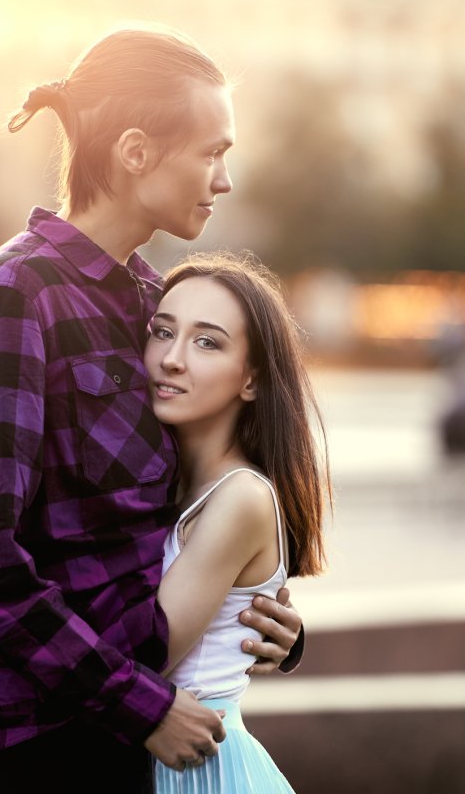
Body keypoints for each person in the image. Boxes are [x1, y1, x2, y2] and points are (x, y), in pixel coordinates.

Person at [0, 27, 303, 794]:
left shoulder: (150, 304)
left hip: (133, 731)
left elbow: (176, 519)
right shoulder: (15, 298)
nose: (224, 179)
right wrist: (138, 705)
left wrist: (261, 624)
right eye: (211, 152)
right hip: (33, 744)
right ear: (135, 152)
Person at [144, 252, 329, 792]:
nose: (171, 359)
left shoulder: (240, 498)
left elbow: (151, 657)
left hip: (196, 766)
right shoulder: (169, 483)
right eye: (162, 332)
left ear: (250, 379)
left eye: (207, 342)